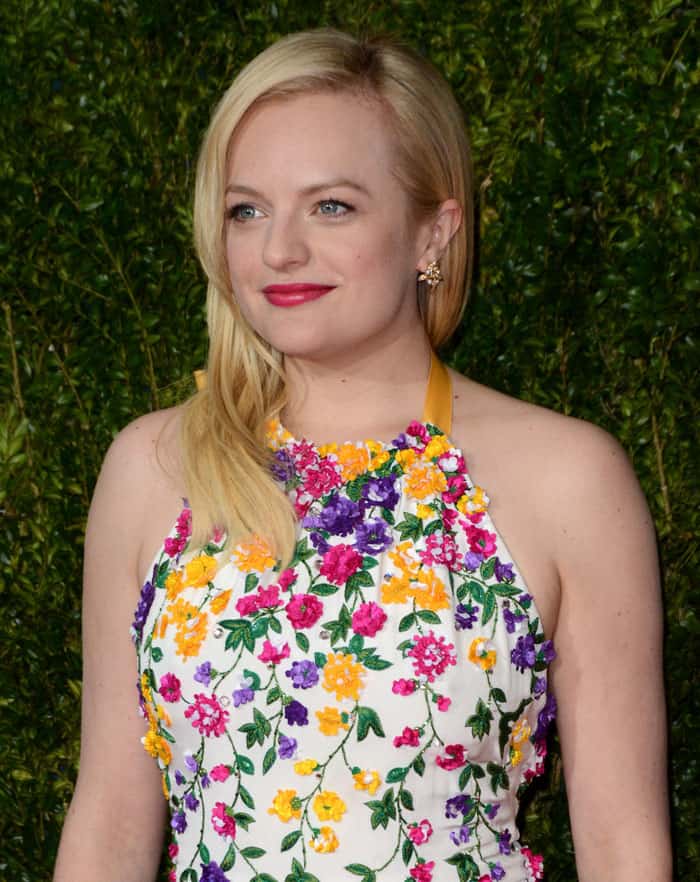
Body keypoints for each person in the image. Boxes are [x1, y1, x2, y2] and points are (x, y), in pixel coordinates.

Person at [53, 27, 671, 882]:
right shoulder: (154, 467)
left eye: (331, 205)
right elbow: (111, 821)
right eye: (248, 209)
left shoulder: (569, 478)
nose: (279, 250)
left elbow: (623, 845)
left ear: (433, 233)